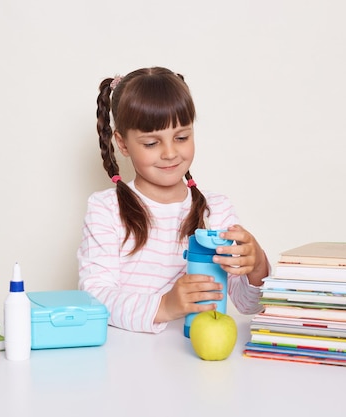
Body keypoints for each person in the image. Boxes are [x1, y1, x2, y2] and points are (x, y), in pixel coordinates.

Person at [77, 67, 269, 333]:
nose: (170, 153)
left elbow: (249, 305)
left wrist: (257, 264)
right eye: (151, 143)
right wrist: (165, 306)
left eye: (181, 137)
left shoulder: (216, 210)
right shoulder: (107, 210)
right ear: (122, 144)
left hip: (197, 356)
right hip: (127, 359)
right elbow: (95, 297)